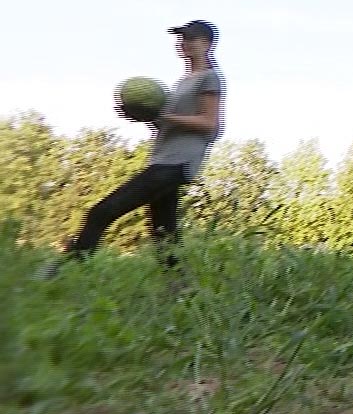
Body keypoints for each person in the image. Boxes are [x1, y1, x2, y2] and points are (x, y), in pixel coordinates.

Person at [38, 20, 227, 278]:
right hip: (163, 160)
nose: (184, 44)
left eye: (191, 39)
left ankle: (63, 273)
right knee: (164, 235)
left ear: (207, 44)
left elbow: (210, 124)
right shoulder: (183, 81)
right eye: (182, 39)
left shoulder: (209, 78)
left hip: (176, 164)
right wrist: (143, 115)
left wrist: (163, 115)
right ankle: (182, 293)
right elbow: (165, 127)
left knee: (102, 212)